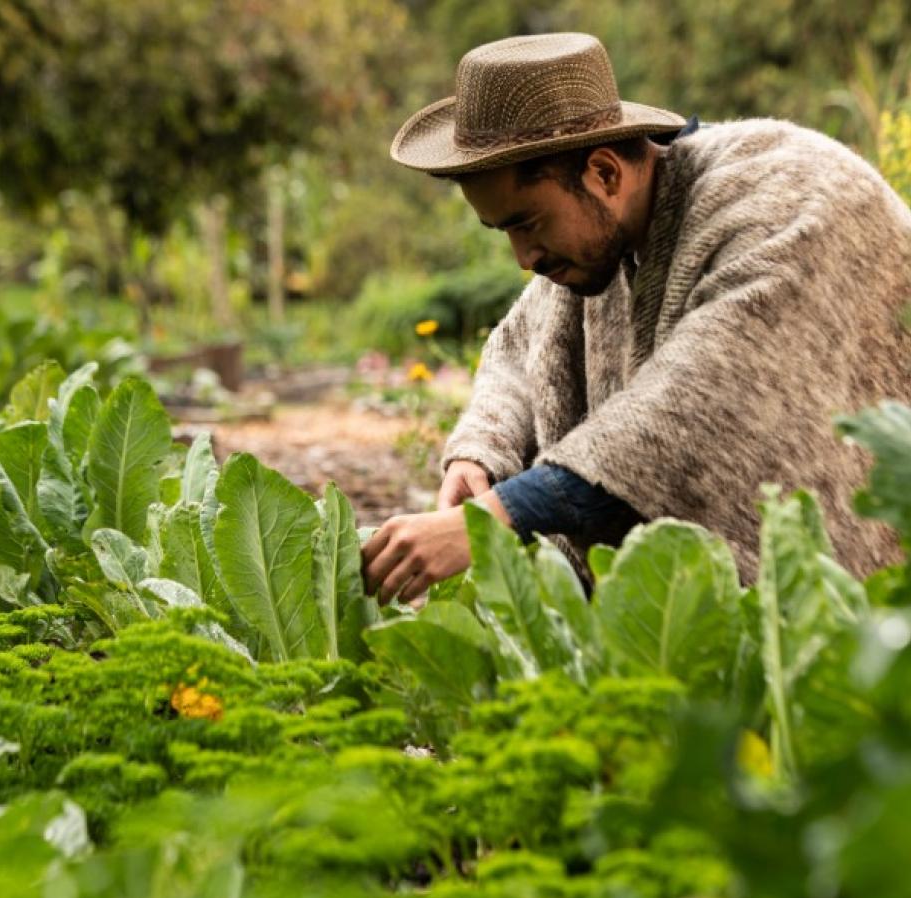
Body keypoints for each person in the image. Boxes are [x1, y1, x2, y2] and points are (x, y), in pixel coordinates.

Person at [361, 32, 911, 604]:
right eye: (503, 232)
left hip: (873, 616)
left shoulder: (793, 199)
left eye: (527, 224)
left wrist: (493, 518)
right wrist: (479, 454)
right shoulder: (599, 236)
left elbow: (699, 408)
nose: (523, 259)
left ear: (604, 174)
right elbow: (519, 352)